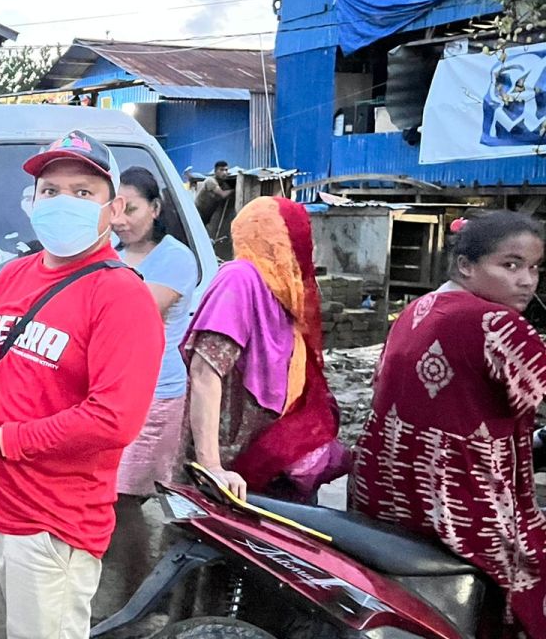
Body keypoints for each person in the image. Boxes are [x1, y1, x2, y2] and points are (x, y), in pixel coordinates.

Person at [0, 130, 164, 639]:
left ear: (114, 210)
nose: (62, 202)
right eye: (50, 190)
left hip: (51, 529)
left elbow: (113, 420)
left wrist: (2, 440)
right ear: (32, 202)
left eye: (82, 192)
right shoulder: (11, 278)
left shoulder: (120, 296)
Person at [351, 211, 546, 637]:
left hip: (384, 498)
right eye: (510, 265)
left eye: (533, 268)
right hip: (461, 508)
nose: (527, 281)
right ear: (465, 265)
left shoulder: (415, 310)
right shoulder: (497, 324)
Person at [182, 196, 349, 502]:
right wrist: (211, 466)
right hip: (235, 471)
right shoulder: (240, 279)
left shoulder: (285, 291)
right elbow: (205, 369)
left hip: (275, 463)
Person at [93, 166, 199, 620]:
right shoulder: (111, 253)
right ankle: (118, 597)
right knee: (110, 497)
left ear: (156, 209)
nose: (120, 219)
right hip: (112, 391)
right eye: (114, 208)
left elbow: (132, 309)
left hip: (155, 396)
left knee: (127, 498)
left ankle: (130, 605)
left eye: (131, 209)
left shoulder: (175, 258)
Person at [194, 161, 235, 260]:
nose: (225, 173)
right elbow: (223, 194)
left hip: (205, 218)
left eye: (226, 170)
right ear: (216, 171)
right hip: (196, 215)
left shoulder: (223, 185)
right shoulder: (210, 181)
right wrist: (235, 189)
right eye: (221, 170)